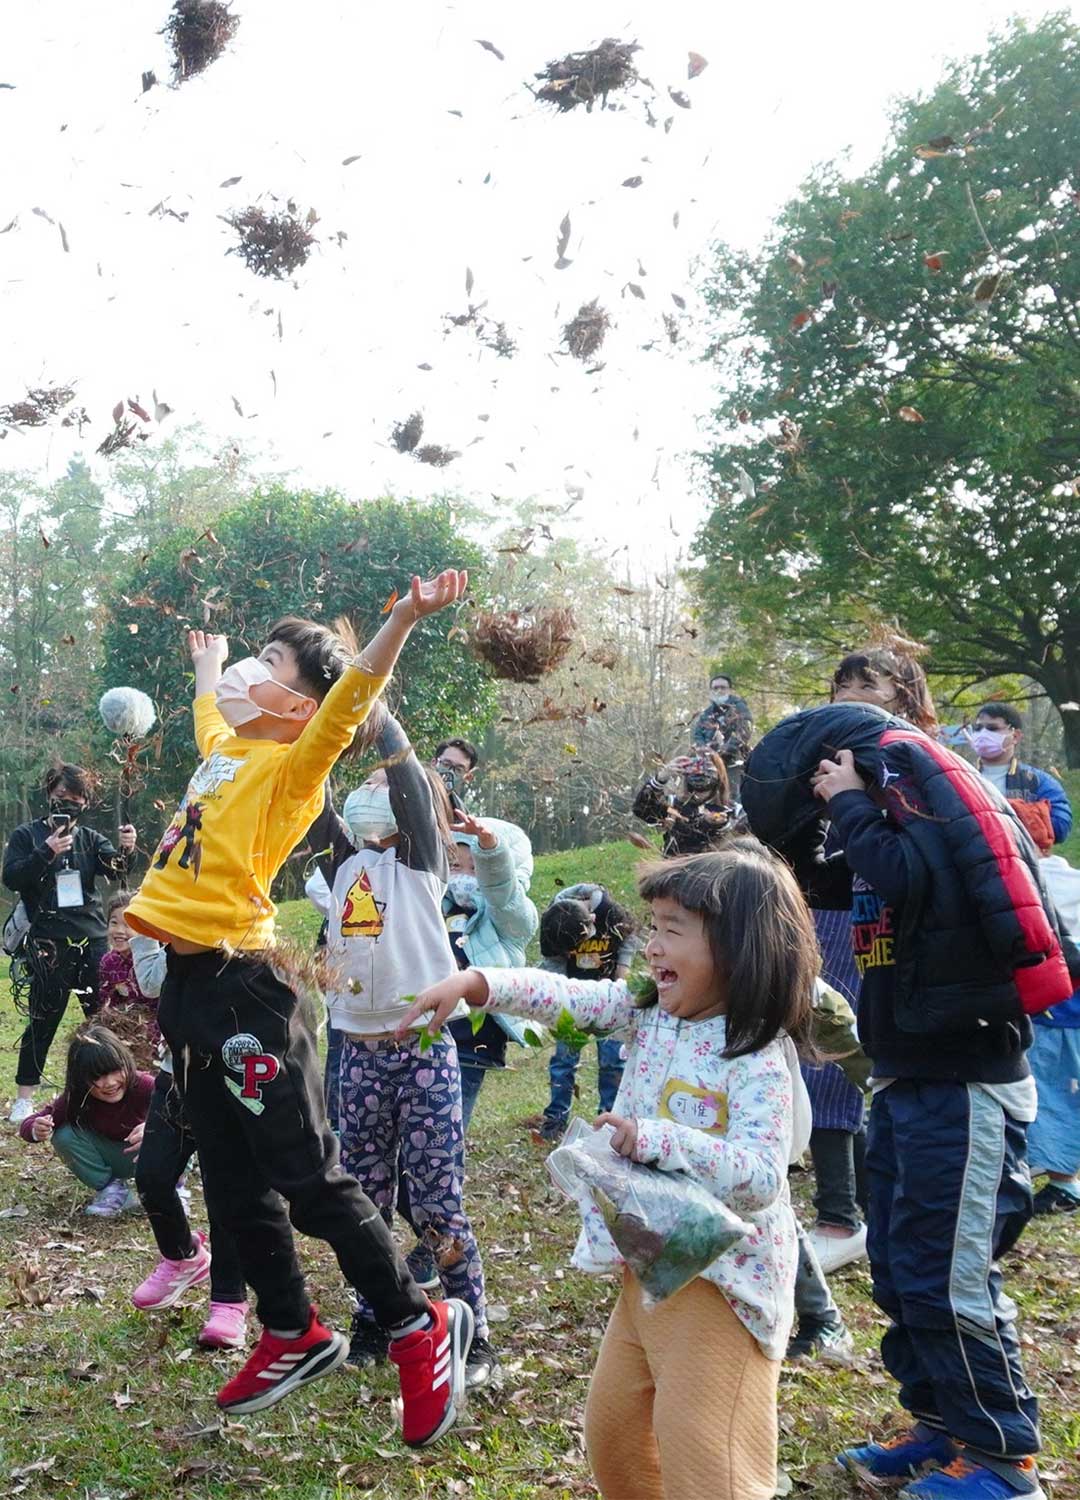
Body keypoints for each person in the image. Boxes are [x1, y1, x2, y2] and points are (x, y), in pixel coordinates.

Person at [124, 572, 476, 1448]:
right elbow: (212, 709)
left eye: (267, 662)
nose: (249, 668)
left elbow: (352, 698)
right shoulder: (226, 747)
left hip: (248, 987)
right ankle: (290, 1329)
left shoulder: (292, 768)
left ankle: (416, 1324)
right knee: (230, 1179)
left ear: (298, 704)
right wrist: (205, 668)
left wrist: (400, 618)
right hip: (190, 993)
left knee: (307, 1177)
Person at [398, 842, 817, 1500]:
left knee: (712, 1472)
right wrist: (477, 984)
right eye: (652, 927)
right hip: (649, 1270)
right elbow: (566, 995)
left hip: (724, 1290)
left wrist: (656, 1139)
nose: (651, 946)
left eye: (671, 931)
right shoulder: (647, 1012)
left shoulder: (754, 1053)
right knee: (615, 1440)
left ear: (739, 949)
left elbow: (761, 1176)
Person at [743, 700, 1080, 1500]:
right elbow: (831, 880)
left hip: (966, 1088)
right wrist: (809, 821)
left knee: (948, 1276)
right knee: (898, 1270)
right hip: (905, 1079)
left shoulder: (924, 815)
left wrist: (852, 799)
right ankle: (943, 1428)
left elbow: (908, 874)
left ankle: (1002, 1462)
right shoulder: (878, 829)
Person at [309, 707, 495, 1389]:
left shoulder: (421, 863)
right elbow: (309, 792)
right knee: (365, 1200)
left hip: (421, 1053)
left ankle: (470, 1325)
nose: (372, 798)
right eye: (366, 792)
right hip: (355, 1056)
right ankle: (375, 1316)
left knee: (439, 1201)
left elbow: (414, 783)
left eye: (383, 792)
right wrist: (318, 732)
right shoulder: (340, 866)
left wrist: (382, 723)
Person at [128, 932, 249, 1350]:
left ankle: (229, 1303)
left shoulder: (236, 912)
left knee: (225, 1192)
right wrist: (145, 929)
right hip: (175, 1071)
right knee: (152, 1176)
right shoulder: (169, 897)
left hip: (231, 1073)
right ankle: (182, 1256)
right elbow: (150, 980)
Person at [4, 764, 136, 1123]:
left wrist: (128, 849)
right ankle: (24, 1098)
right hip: (48, 941)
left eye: (76, 799)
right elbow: (11, 877)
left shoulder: (92, 839)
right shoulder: (26, 836)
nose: (68, 804)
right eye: (62, 797)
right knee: (43, 1019)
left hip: (91, 939)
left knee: (102, 1020)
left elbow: (116, 869)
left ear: (86, 802)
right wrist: (44, 852)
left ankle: (115, 1091)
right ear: (49, 796)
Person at [442, 811, 539, 1128]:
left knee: (448, 1127)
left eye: (477, 868)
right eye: (457, 865)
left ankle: (446, 1176)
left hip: (474, 1039)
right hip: (431, 1033)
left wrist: (490, 851)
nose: (465, 876)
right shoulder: (439, 907)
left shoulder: (510, 917)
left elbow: (502, 892)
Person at [536, 885, 639, 1142]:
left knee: (613, 1060)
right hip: (573, 999)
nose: (571, 952)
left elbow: (630, 935)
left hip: (609, 997)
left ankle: (609, 1119)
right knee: (563, 1060)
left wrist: (623, 970)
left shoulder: (609, 911)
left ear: (591, 922)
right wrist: (561, 1005)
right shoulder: (553, 920)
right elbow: (552, 964)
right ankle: (556, 1117)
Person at [18, 1024, 151, 1216]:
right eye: (98, 1077)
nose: (110, 1083)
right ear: (80, 1079)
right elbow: (31, 1122)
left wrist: (154, 1128)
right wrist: (35, 1129)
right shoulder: (77, 1097)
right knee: (63, 1135)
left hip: (153, 1156)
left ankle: (172, 1187)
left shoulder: (145, 1085)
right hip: (117, 1158)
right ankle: (113, 1192)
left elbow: (184, 1111)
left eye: (115, 1071)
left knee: (175, 1129)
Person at [1026, 852, 1080, 1215]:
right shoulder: (1074, 879)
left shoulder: (1030, 879)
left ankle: (1064, 1181)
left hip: (1053, 1010)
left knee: (1048, 1092)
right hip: (1071, 1012)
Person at [970, 702, 1072, 851]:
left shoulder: (1038, 781)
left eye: (992, 728)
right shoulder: (959, 777)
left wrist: (1012, 814)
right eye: (978, 729)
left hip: (1024, 863)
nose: (983, 734)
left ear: (1015, 736)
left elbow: (1061, 825)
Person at [632, 752, 739, 857]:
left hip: (716, 871)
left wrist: (713, 824)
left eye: (704, 786)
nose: (697, 793)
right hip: (675, 870)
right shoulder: (675, 806)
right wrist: (661, 778)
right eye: (693, 785)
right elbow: (641, 809)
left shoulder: (733, 812)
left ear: (717, 783)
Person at [98, 894, 161, 1062]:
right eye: (114, 923)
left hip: (159, 1034)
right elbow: (107, 1003)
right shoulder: (109, 962)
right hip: (125, 1033)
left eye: (128, 925)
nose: (119, 930)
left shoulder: (156, 959)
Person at [690, 673, 753, 794]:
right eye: (715, 688)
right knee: (711, 800)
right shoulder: (706, 713)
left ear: (729, 690)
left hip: (733, 763)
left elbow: (744, 731)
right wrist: (705, 752)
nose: (719, 690)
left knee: (731, 798)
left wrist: (723, 753)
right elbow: (698, 735)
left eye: (723, 687)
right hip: (709, 765)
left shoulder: (739, 707)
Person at [432, 737, 480, 814]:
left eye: (458, 770)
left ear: (467, 777)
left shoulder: (460, 814)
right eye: (446, 764)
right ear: (434, 763)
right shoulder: (412, 791)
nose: (450, 772)